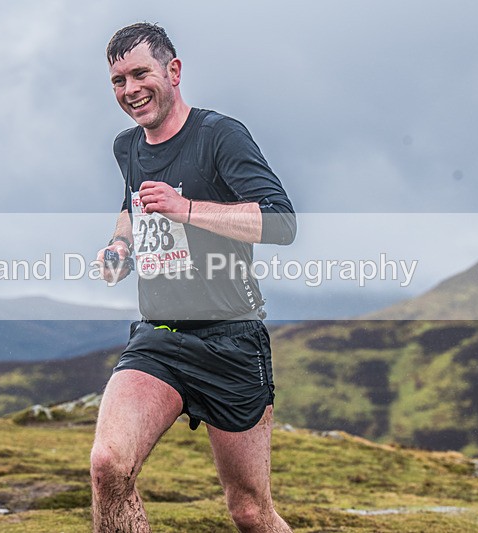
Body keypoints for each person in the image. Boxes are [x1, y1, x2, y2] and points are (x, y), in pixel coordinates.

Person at [90, 22, 296, 532]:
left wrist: (185, 209)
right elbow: (132, 204)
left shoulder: (219, 135)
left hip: (231, 341)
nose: (130, 89)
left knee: (249, 512)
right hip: (158, 337)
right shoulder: (127, 147)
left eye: (140, 74)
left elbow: (281, 222)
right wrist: (121, 245)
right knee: (108, 465)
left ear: (173, 71)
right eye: (118, 80)